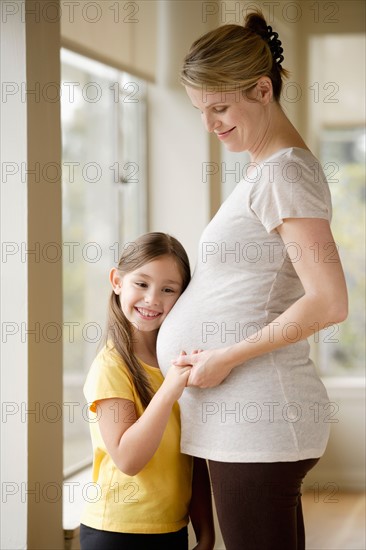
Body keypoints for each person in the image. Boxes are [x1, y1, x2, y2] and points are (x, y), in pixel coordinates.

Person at [157, 10, 348, 550]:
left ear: (262, 89)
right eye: (200, 110)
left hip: (260, 416)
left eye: (219, 107)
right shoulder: (267, 171)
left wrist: (224, 357)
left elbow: (330, 302)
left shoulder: (284, 172)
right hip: (246, 417)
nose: (210, 123)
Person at [80, 232, 215, 550]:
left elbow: (192, 456)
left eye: (168, 289)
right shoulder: (111, 367)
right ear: (117, 281)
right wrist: (169, 391)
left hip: (171, 528)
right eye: (141, 284)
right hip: (116, 532)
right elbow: (128, 459)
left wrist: (206, 532)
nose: (153, 299)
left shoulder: (177, 366)